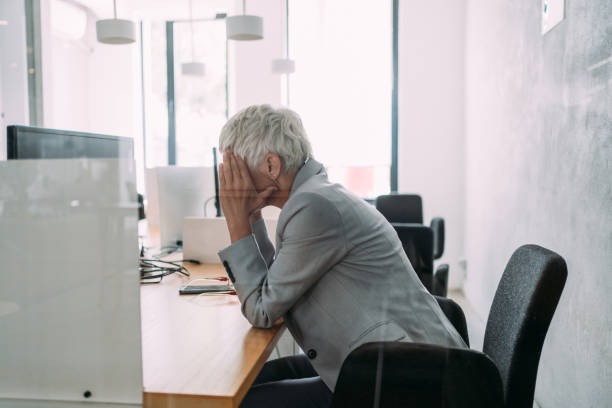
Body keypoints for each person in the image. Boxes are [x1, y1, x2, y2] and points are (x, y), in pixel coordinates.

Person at [217, 104, 466, 408]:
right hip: (379, 360)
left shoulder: (313, 207)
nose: (230, 182)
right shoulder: (316, 195)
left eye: (234, 170)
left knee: (238, 403)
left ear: (270, 165)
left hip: (401, 380)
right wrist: (251, 215)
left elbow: (263, 310)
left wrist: (235, 220)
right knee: (235, 387)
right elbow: (274, 285)